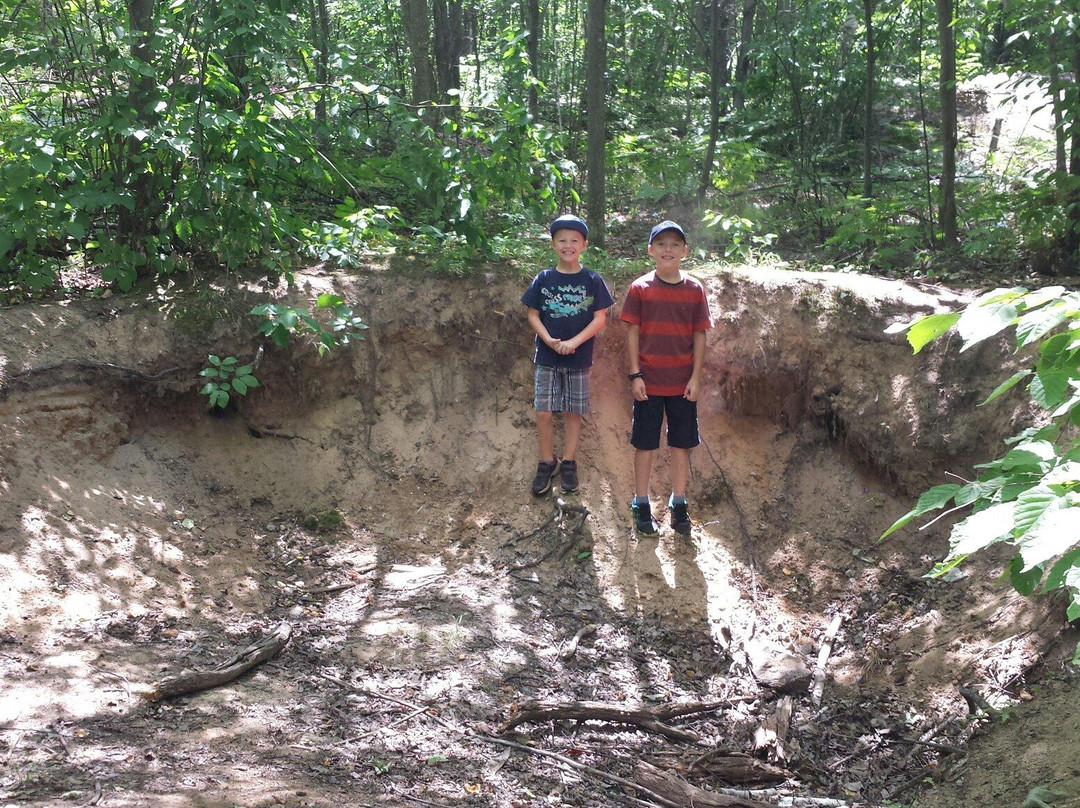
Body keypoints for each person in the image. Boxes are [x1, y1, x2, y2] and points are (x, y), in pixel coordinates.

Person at [619, 220, 712, 535]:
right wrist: (635, 374)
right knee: (645, 444)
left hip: (682, 385)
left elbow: (699, 335)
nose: (668, 250)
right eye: (661, 244)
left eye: (674, 244)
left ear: (685, 251)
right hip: (648, 383)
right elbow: (632, 334)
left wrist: (696, 378)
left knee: (680, 444)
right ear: (651, 251)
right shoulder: (640, 288)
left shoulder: (695, 289)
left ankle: (679, 501)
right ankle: (641, 502)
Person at [521, 214, 614, 496]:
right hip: (547, 358)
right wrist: (549, 340)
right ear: (552, 244)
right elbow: (533, 314)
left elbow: (600, 320)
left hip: (578, 358)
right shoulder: (544, 279)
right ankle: (547, 460)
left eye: (574, 240)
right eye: (562, 240)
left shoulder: (592, 280)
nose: (568, 245)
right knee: (543, 411)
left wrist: (573, 342)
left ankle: (570, 461)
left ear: (584, 244)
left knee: (574, 412)